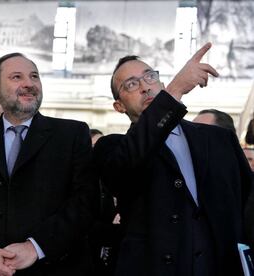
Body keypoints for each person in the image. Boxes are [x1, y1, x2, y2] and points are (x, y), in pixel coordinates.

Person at [94, 43, 252, 276]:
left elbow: (248, 202)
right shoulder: (113, 147)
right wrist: (175, 91)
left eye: (149, 77)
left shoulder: (219, 139)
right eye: (131, 84)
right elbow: (124, 168)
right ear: (119, 106)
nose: (145, 88)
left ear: (160, 83)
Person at [0, 52, 98, 275]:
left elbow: (86, 202)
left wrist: (35, 247)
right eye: (17, 77)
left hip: (54, 267)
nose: (29, 84)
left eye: (34, 76)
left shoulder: (71, 135)